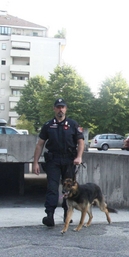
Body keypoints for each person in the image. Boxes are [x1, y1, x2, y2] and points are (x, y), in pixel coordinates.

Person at [32, 97, 85, 227]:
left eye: (63, 107)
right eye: (58, 107)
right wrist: (35, 162)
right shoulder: (48, 125)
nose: (60, 109)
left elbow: (80, 142)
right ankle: (49, 215)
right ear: (54, 109)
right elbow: (40, 145)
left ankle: (68, 214)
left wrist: (79, 157)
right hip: (53, 160)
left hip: (69, 160)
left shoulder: (73, 124)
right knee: (52, 188)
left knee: (69, 189)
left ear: (65, 109)